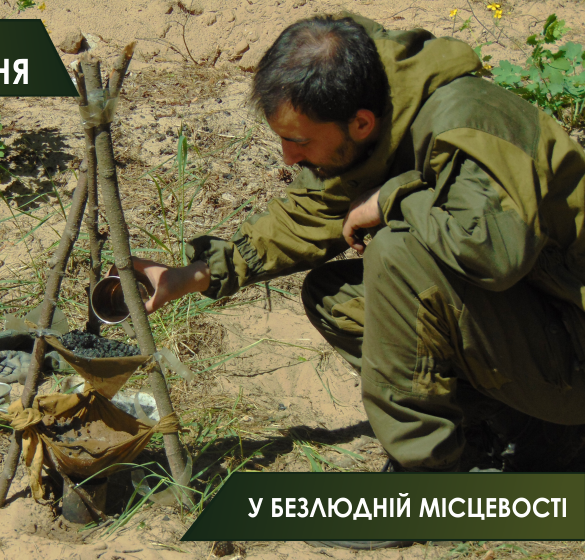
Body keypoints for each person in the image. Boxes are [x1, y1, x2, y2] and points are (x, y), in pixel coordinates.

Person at [128, 13, 585, 474]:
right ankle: (514, 433)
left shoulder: (466, 123)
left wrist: (392, 198)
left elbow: (495, 253)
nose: (288, 157)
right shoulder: (370, 101)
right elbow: (311, 212)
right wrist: (195, 274)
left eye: (298, 141)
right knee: (337, 297)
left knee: (395, 254)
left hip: (574, 343)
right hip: (543, 326)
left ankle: (426, 481)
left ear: (362, 123)